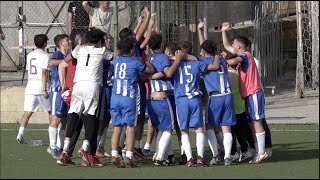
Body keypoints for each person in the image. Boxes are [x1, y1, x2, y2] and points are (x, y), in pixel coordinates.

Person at [57, 27, 106, 167]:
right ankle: (85, 148)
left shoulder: (79, 49)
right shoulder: (102, 51)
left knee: (73, 115)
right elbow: (116, 57)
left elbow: (67, 59)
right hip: (92, 86)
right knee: (90, 116)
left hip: (77, 86)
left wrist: (80, 46)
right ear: (99, 41)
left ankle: (65, 150)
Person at [221, 22, 268, 164]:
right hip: (248, 94)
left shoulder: (245, 55)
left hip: (254, 93)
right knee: (253, 122)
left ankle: (262, 152)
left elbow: (234, 60)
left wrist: (222, 60)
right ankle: (258, 151)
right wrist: (223, 31)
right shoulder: (242, 52)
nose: (232, 46)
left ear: (239, 47)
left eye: (234, 44)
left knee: (257, 121)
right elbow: (226, 45)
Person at [197, 20, 237, 166]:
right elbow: (206, 47)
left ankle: (215, 155)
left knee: (209, 126)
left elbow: (204, 51)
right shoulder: (221, 59)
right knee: (226, 128)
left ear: (204, 52)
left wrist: (199, 30)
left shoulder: (204, 62)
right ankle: (227, 156)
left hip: (215, 98)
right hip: (227, 96)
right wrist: (200, 31)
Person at [110, 38, 154, 168]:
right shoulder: (135, 63)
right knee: (130, 127)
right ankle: (129, 154)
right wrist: (146, 60)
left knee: (117, 127)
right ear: (131, 50)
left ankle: (114, 154)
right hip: (128, 98)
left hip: (115, 97)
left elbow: (116, 52)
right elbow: (150, 70)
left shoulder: (116, 59)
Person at [146, 34, 184, 166]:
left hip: (150, 98)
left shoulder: (149, 57)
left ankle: (163, 155)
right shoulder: (163, 57)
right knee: (168, 129)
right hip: (161, 98)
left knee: (161, 129)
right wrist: (178, 60)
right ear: (161, 45)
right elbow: (168, 73)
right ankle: (160, 157)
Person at [16, 34, 52, 144]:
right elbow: (44, 72)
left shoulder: (30, 55)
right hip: (41, 86)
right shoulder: (46, 55)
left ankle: (20, 133)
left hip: (30, 86)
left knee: (27, 112)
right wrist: (45, 89)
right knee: (51, 112)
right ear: (45, 44)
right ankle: (53, 137)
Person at [46, 34, 71, 159]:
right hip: (57, 91)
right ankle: (52, 146)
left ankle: (60, 147)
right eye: (67, 40)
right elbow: (50, 62)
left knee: (64, 120)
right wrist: (65, 61)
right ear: (61, 43)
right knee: (56, 119)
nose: (69, 42)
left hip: (66, 91)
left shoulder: (68, 55)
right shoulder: (58, 55)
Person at [95, 34, 114, 158]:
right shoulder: (101, 55)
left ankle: (101, 146)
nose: (108, 42)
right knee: (101, 118)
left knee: (107, 118)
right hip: (104, 90)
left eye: (110, 40)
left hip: (113, 89)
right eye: (106, 40)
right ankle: (96, 147)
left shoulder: (112, 54)